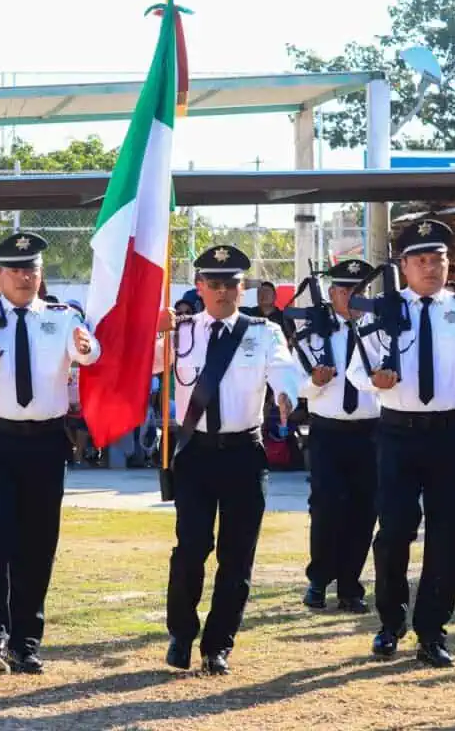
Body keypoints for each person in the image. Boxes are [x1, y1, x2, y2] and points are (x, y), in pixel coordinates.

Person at [347, 219, 455, 668]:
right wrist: (375, 380)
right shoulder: (380, 310)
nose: (430, 267)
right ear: (403, 266)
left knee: (446, 537)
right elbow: (355, 371)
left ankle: (432, 632)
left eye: (437, 258)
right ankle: (390, 622)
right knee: (395, 532)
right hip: (397, 433)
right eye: (420, 259)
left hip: (449, 435)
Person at [0, 232, 100, 676]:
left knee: (37, 544)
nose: (25, 277)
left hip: (46, 442)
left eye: (31, 269)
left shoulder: (62, 316)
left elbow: (87, 350)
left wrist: (87, 349)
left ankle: (26, 641)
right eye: (15, 270)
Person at [155, 245, 299, 676]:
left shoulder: (263, 331)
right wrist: (155, 332)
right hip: (196, 454)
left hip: (243, 454)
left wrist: (286, 394)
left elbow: (283, 368)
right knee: (191, 550)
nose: (223, 292)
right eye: (214, 284)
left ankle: (218, 645)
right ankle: (182, 634)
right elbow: (140, 364)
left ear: (243, 288)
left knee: (237, 557)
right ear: (199, 288)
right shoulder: (180, 332)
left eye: (231, 284)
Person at [297, 259, 379, 614]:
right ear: (331, 294)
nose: (351, 297)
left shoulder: (382, 332)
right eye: (345, 290)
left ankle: (350, 585)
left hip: (371, 431)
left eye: (359, 290)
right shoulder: (313, 332)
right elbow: (294, 385)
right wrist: (313, 383)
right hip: (328, 431)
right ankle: (319, 579)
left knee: (364, 510)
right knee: (327, 508)